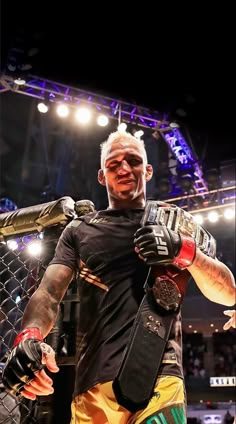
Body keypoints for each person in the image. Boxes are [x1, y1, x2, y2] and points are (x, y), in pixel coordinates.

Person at [2, 130, 236, 424]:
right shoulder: (79, 230)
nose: (124, 169)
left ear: (148, 170)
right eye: (114, 164)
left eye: (133, 161)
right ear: (102, 176)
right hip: (93, 384)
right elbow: (49, 293)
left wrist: (185, 250)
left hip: (161, 379)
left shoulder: (175, 223)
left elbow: (228, 292)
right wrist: (30, 334)